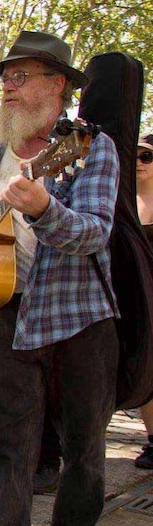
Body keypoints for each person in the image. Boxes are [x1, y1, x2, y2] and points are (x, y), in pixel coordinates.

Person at [0, 31, 119, 526]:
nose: (7, 87)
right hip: (5, 317)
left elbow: (94, 233)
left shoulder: (90, 147)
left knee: (84, 456)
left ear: (59, 86)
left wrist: (45, 209)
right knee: (7, 449)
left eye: (20, 76)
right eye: (5, 78)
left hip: (80, 323)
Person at [134, 133, 153, 470]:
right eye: (133, 154)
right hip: (138, 298)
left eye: (146, 156)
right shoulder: (121, 202)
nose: (137, 160)